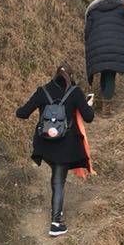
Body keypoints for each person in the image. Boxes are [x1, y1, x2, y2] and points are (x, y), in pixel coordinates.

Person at [15, 66, 95, 236]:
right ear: (70, 78)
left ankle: (57, 217)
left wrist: (17, 110)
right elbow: (89, 117)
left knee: (56, 176)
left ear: (54, 77)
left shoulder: (42, 91)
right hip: (66, 146)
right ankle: (56, 223)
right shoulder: (75, 92)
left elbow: (22, 113)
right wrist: (88, 104)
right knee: (59, 180)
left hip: (45, 146)